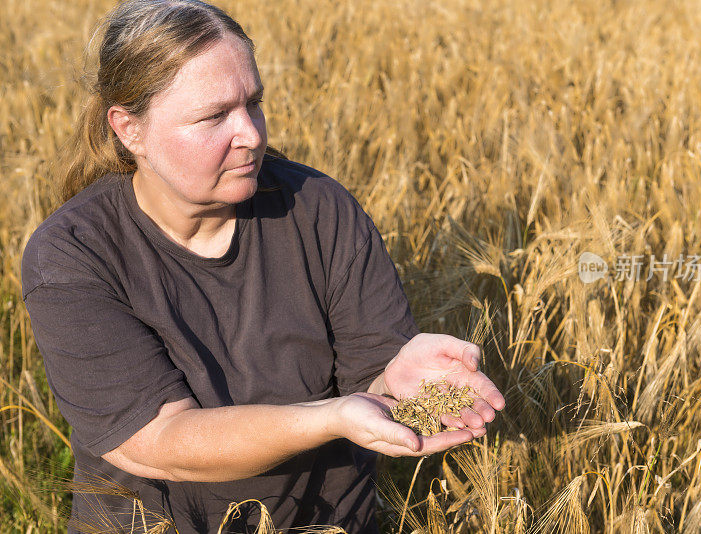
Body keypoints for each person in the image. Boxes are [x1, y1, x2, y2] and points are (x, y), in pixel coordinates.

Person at [20, 1, 505, 532]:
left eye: (254, 103)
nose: (250, 133)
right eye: (213, 117)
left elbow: (372, 381)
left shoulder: (316, 207)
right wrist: (333, 416)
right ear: (128, 129)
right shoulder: (73, 256)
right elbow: (161, 442)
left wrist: (396, 376)